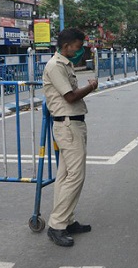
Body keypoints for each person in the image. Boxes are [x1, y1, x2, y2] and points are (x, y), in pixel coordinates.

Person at [42, 28, 98, 247]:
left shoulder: (65, 64)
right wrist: (91, 86)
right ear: (66, 46)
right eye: (77, 45)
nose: (79, 50)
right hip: (68, 125)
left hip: (71, 124)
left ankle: (67, 220)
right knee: (75, 176)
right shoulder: (55, 66)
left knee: (65, 176)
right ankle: (57, 225)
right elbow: (70, 96)